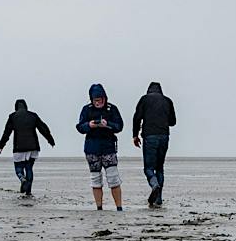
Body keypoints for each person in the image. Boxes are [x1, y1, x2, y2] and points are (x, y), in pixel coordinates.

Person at [76, 83, 125, 212]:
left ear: (104, 98)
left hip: (108, 148)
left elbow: (119, 126)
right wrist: (89, 125)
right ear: (91, 100)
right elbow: (80, 127)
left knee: (113, 178)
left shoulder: (112, 109)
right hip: (92, 149)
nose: (98, 102)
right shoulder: (86, 110)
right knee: (95, 179)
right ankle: (99, 207)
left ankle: (119, 207)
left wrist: (107, 124)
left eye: (100, 100)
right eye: (95, 100)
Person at [0, 98, 56, 198]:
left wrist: (1, 145)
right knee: (29, 168)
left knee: (18, 168)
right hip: (33, 147)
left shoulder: (13, 117)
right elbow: (43, 128)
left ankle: (22, 180)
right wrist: (50, 140)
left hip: (19, 147)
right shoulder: (33, 116)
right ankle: (28, 191)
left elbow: (7, 132)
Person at [131, 80, 177, 208]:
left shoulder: (144, 100)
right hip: (164, 136)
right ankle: (159, 199)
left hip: (149, 136)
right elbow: (173, 122)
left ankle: (154, 184)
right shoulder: (167, 101)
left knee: (149, 168)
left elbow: (137, 118)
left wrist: (135, 135)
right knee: (160, 168)